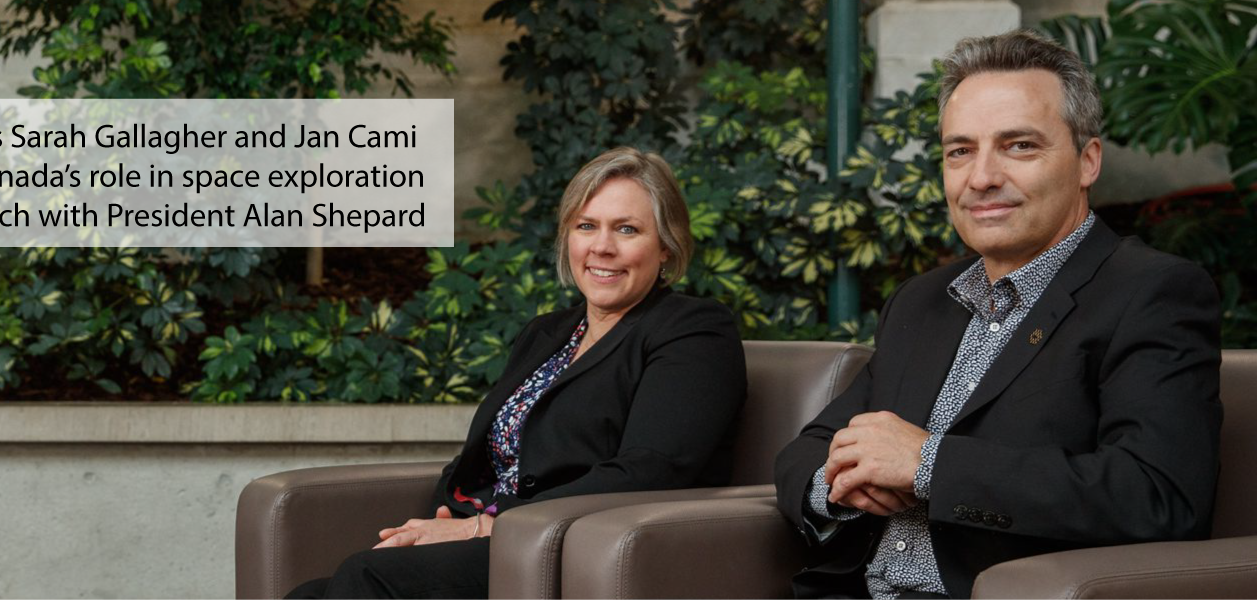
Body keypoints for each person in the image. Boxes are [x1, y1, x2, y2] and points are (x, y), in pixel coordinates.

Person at [773, 29, 1222, 600]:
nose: (980, 178)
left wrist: (929, 465)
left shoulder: (1151, 292)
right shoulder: (922, 301)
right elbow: (812, 448)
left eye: (1019, 146)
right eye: (960, 150)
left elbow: (1159, 497)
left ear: (1087, 161)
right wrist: (836, 484)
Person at [286, 147, 748, 600]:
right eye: (586, 226)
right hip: (491, 537)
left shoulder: (693, 330)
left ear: (666, 247)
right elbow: (483, 457)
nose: (602, 247)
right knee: (311, 594)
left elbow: (649, 469)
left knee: (367, 577)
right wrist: (445, 519)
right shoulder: (547, 333)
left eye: (627, 229)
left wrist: (486, 526)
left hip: (565, 545)